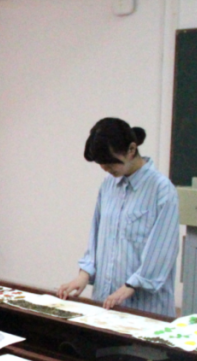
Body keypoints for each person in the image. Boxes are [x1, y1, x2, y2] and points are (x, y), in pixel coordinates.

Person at [58, 117, 179, 317]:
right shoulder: (108, 185)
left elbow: (162, 250)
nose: (106, 169)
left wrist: (130, 286)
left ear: (131, 150)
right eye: (101, 164)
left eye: (110, 163)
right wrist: (84, 275)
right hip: (105, 304)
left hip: (144, 309)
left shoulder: (161, 190)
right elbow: (96, 236)